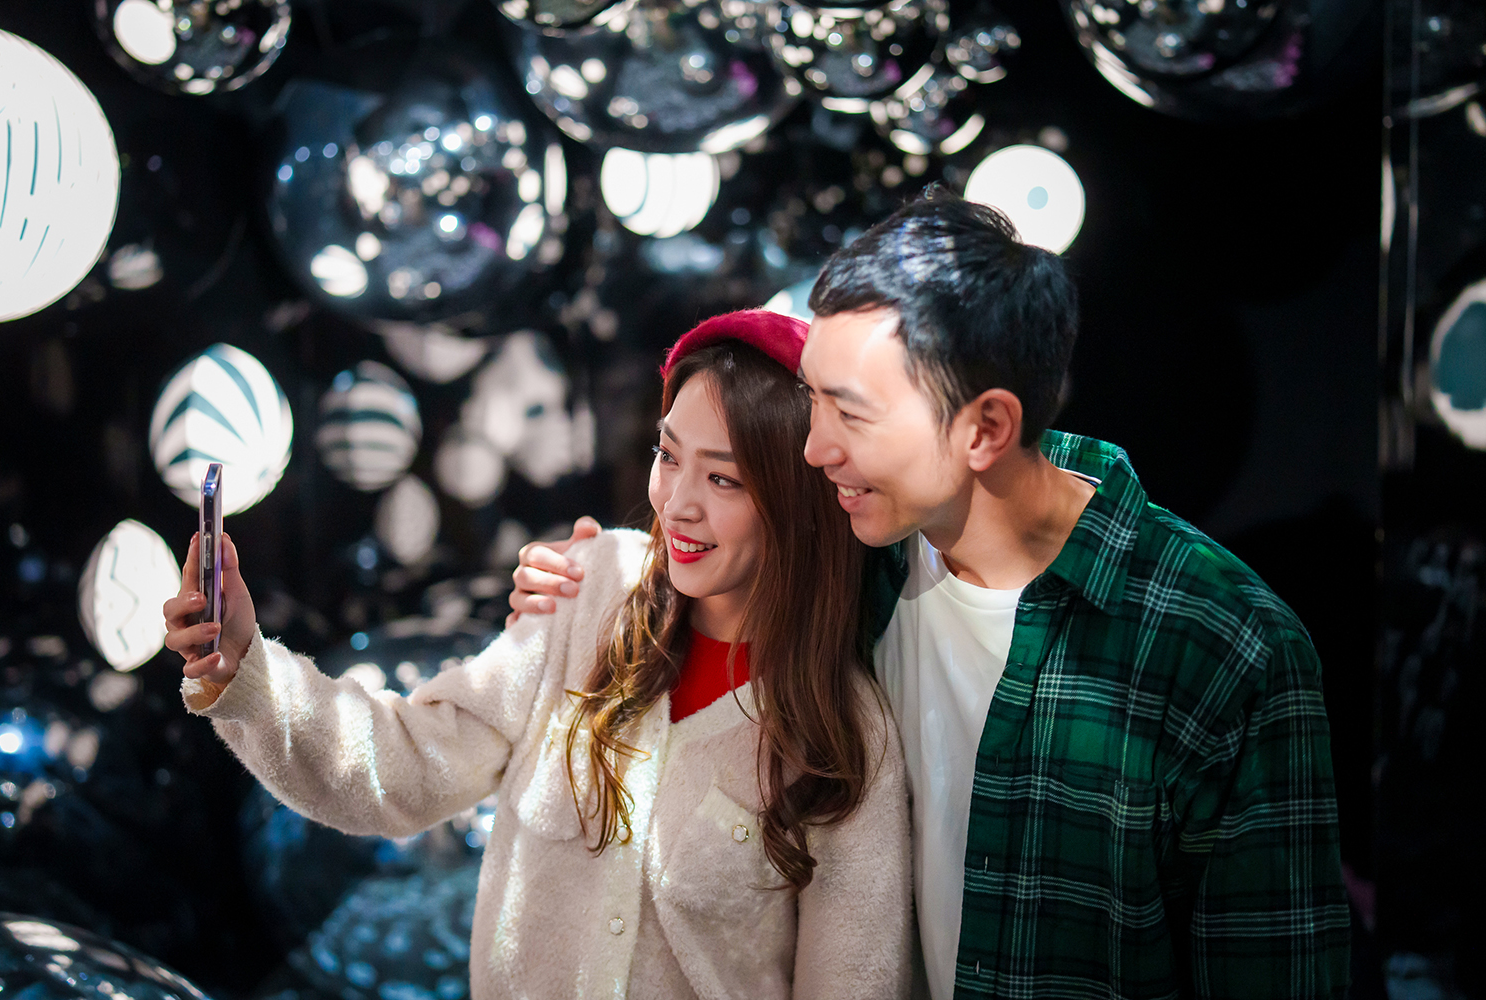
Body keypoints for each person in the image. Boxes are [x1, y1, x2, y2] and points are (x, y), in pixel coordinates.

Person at [509, 191, 1351, 998]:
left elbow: (1274, 970)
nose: (814, 449)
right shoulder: (848, 554)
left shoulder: (1222, 644)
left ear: (986, 428)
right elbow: (688, 583)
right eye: (813, 400)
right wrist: (582, 585)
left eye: (851, 414)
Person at [164, 310, 913, 1000]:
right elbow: (406, 765)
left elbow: (855, 985)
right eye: (668, 454)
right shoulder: (591, 588)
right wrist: (246, 669)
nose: (678, 502)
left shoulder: (847, 736)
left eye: (723, 478)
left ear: (799, 501)